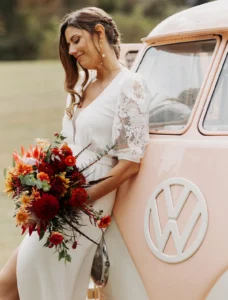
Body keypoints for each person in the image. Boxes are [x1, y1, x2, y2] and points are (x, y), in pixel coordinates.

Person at [0, 7, 150, 300]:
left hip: (88, 203)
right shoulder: (80, 86)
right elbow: (67, 144)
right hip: (60, 197)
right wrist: (39, 179)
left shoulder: (130, 85)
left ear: (99, 33)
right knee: (10, 281)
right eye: (68, 44)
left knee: (38, 284)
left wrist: (71, 200)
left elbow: (130, 165)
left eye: (76, 40)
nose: (72, 50)